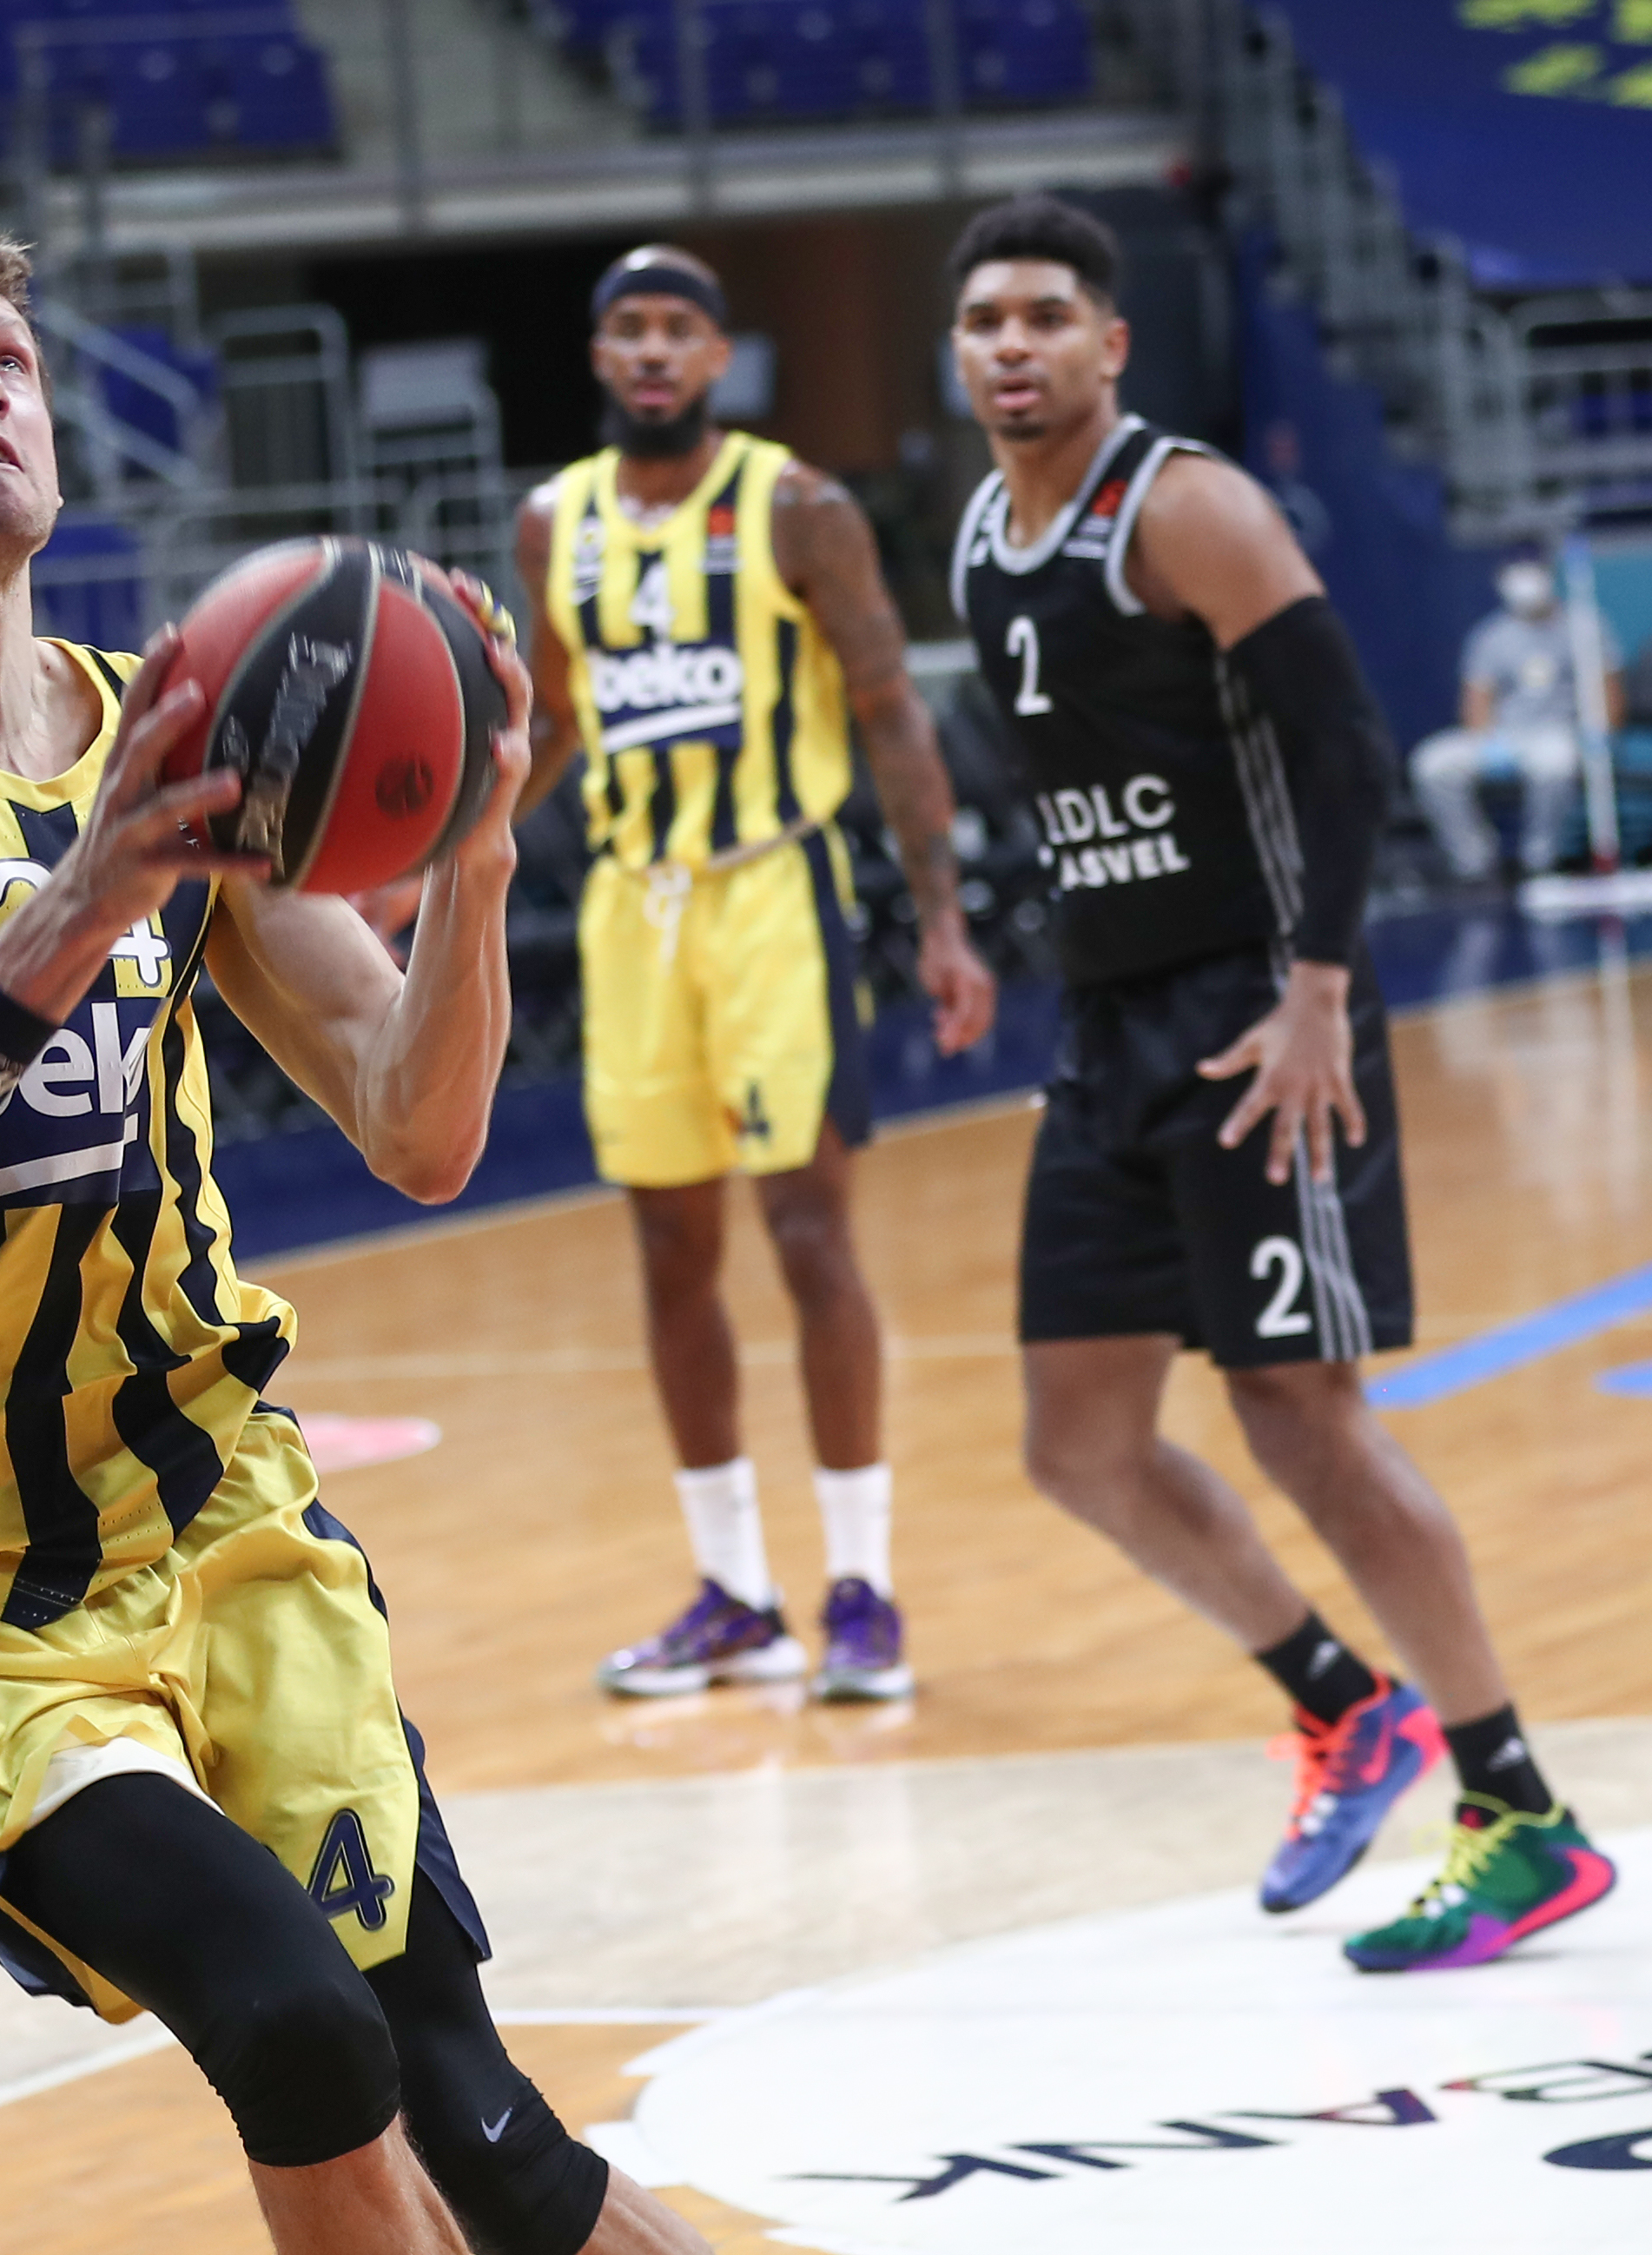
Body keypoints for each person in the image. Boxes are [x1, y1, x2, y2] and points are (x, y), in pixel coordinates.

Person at [0, 202, 701, 2255]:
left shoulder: (180, 743)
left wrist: (472, 852)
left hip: (212, 1506)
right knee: (294, 2023)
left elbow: (418, 1123)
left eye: (11, 364)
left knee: (476, 2114)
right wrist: (72, 912)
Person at [946, 194, 1616, 1973]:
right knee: (1076, 1441)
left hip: (1255, 1014)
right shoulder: (975, 538)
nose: (1007, 343)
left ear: (1108, 342)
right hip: (1104, 1037)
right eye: (981, 321)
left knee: (1297, 1416)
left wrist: (1318, 987)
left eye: (1040, 315)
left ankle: (1517, 1808)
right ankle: (1339, 1699)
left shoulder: (1182, 504)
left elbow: (1337, 741)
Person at [507, 246, 997, 1706]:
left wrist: (946, 916)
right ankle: (735, 1593)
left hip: (776, 897)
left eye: (679, 332)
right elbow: (546, 725)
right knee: (670, 1253)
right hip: (627, 914)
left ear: (720, 359)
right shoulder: (553, 525)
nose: (654, 353)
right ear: (600, 357)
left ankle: (863, 1586)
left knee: (809, 1235)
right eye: (629, 331)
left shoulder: (798, 506)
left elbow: (895, 713)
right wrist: (443, 862)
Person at [1407, 556, 1622, 883]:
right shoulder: (1491, 635)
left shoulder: (1583, 627)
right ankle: (1473, 860)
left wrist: (1601, 731)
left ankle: (1539, 858)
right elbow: (1477, 699)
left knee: (1554, 765)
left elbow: (1606, 687)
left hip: (1558, 732)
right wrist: (1487, 741)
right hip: (1504, 737)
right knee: (1432, 763)